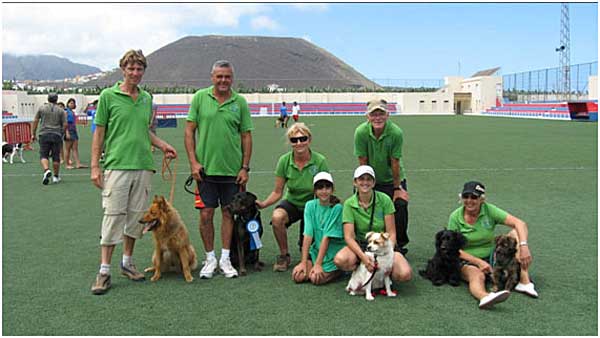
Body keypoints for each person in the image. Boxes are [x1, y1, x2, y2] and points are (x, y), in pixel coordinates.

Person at [89, 50, 177, 295]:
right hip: (117, 166)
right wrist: (95, 166)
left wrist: (162, 145)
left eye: (139, 69)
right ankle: (104, 271)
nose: (135, 73)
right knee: (113, 216)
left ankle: (127, 263)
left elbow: (143, 131)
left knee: (137, 218)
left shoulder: (147, 98)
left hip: (143, 166)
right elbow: (100, 132)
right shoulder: (108, 96)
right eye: (131, 69)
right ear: (123, 69)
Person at [184, 60, 253, 280]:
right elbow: (189, 132)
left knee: (228, 213)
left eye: (227, 76)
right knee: (206, 214)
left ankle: (225, 258)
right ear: (212, 77)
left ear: (232, 78)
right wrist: (193, 163)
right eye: (219, 76)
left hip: (233, 172)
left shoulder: (239, 102)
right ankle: (209, 258)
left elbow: (246, 136)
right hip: (205, 171)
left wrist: (244, 167)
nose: (223, 80)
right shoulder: (199, 98)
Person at [447, 181, 538, 309]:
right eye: (466, 197)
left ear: (481, 199)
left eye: (474, 197)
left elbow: (520, 224)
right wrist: (478, 262)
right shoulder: (455, 217)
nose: (469, 201)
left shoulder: (489, 210)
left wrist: (523, 246)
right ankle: (484, 297)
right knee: (476, 275)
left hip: (491, 257)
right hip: (466, 259)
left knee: (516, 233)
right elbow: (453, 248)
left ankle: (524, 280)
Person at [256, 123, 329, 272]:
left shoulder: (320, 160)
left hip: (313, 205)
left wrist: (323, 211)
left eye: (303, 138)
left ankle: (308, 248)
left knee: (307, 251)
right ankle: (284, 255)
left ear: (309, 139)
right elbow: (277, 191)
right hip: (293, 202)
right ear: (290, 142)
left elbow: (325, 190)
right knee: (277, 218)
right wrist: (263, 204)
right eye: (294, 140)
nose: (299, 143)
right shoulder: (284, 161)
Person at [333, 165, 412, 286]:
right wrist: (364, 258)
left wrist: (388, 255)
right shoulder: (349, 204)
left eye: (369, 179)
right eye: (361, 179)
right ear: (355, 182)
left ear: (374, 182)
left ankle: (383, 273)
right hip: (363, 244)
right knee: (341, 260)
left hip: (383, 245)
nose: (365, 182)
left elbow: (391, 232)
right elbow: (348, 237)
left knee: (404, 274)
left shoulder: (385, 200)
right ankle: (362, 270)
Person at [354, 98, 410, 255]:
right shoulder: (361, 132)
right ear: (368, 116)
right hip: (370, 176)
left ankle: (398, 244)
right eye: (374, 114)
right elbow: (362, 161)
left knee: (400, 204)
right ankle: (363, 241)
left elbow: (395, 161)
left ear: (387, 115)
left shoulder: (395, 133)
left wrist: (397, 188)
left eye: (381, 113)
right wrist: (364, 184)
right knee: (361, 205)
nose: (377, 117)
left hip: (392, 178)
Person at [291, 172, 344, 285]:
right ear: (314, 191)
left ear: (332, 189)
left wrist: (318, 264)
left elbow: (327, 237)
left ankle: (339, 271)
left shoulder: (337, 208)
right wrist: (303, 262)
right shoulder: (310, 205)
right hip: (317, 250)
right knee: (298, 276)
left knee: (316, 278)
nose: (324, 191)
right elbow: (308, 234)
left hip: (333, 251)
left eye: (327, 187)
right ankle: (315, 266)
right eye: (320, 187)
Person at [31, 93, 67, 185]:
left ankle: (46, 170)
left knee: (44, 154)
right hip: (56, 134)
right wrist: (62, 133)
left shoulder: (42, 108)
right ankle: (56, 176)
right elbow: (65, 124)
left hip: (44, 134)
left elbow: (35, 121)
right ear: (56, 99)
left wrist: (33, 134)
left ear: (48, 99)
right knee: (56, 156)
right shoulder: (61, 110)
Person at [64, 98, 88, 169]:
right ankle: (67, 164)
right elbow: (65, 123)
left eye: (73, 103)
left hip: (73, 130)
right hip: (68, 130)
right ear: (68, 104)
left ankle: (78, 163)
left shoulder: (72, 112)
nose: (72, 104)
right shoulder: (66, 112)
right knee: (67, 149)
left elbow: (74, 121)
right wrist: (67, 132)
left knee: (75, 148)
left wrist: (82, 123)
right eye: (70, 103)